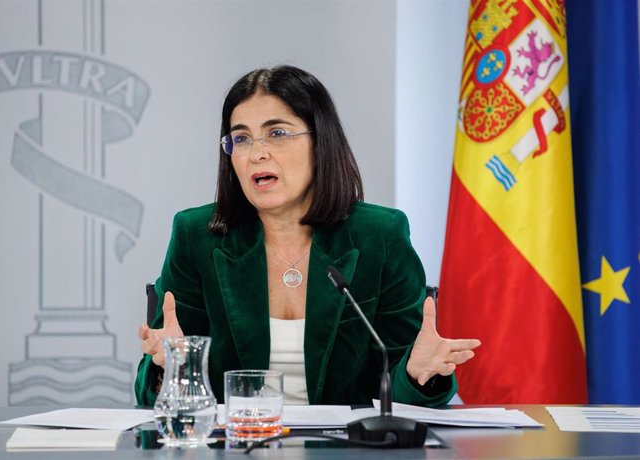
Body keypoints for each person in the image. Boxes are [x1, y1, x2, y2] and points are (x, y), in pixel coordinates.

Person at [135, 65, 480, 407]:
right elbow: (154, 392)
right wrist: (173, 367)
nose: (257, 153)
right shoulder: (197, 236)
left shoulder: (379, 235)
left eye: (277, 133)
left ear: (321, 141)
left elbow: (402, 387)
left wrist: (417, 373)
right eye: (241, 138)